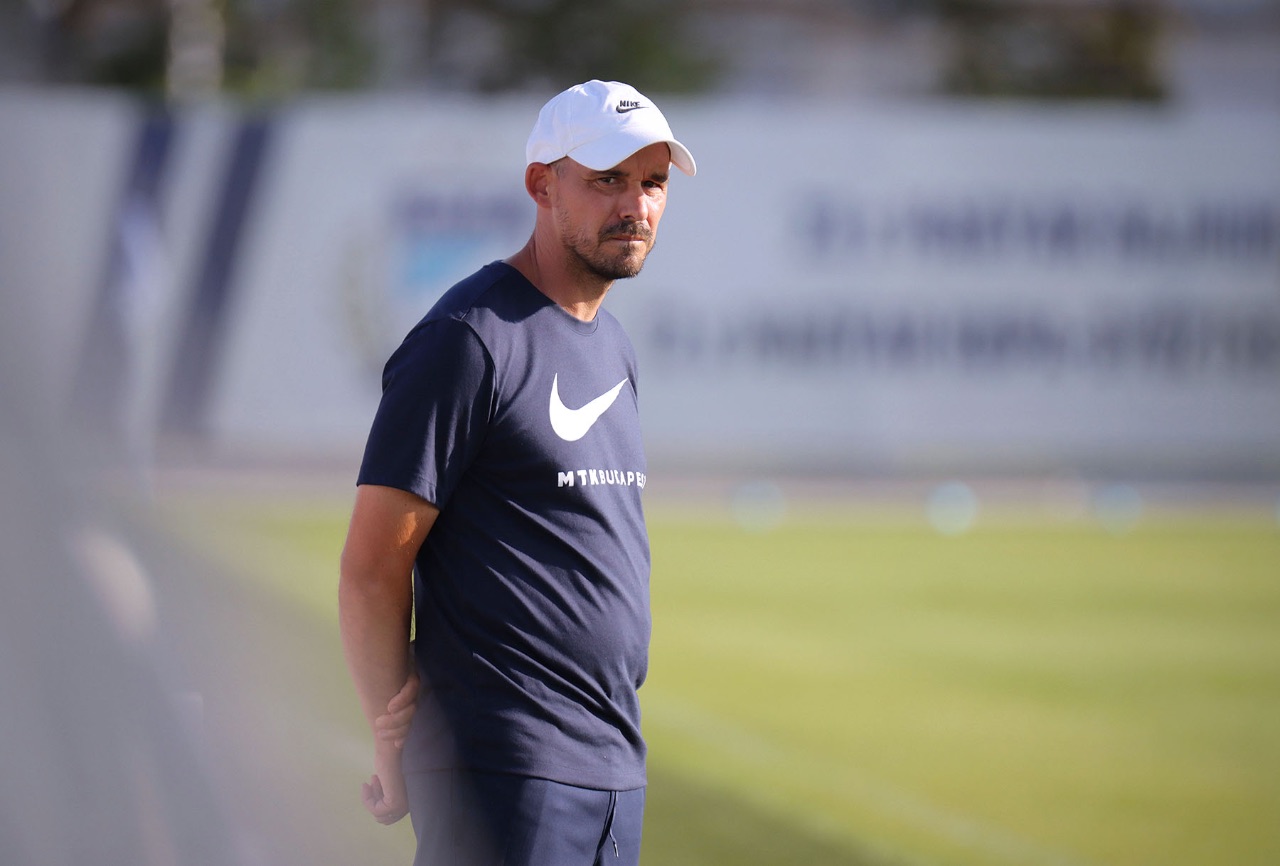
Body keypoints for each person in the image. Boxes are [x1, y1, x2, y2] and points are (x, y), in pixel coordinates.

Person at [338, 79, 697, 866]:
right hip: (502, 769)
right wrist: (392, 739)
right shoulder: (468, 340)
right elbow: (371, 568)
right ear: (542, 184)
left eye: (652, 183)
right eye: (608, 179)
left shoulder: (613, 346)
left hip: (610, 764)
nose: (635, 205)